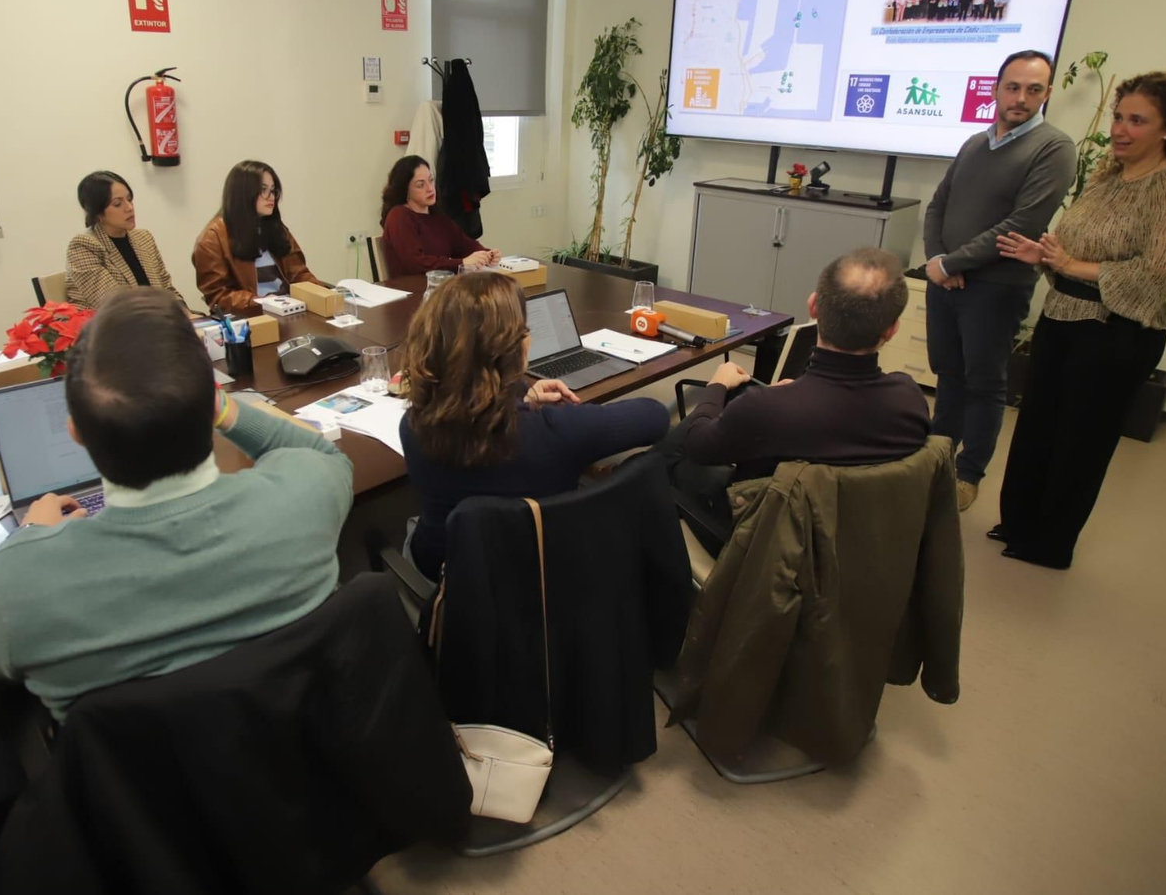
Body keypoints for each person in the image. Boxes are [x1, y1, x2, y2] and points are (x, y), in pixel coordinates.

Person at [0, 288, 352, 718]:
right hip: (307, 758)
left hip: (144, 784)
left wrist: (31, 536)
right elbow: (324, 454)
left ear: (75, 433)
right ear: (210, 407)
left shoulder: (17, 585)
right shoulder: (303, 497)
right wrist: (220, 405)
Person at [992, 72, 1166, 569]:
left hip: (1116, 331)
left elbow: (1160, 274)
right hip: (1064, 315)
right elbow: (1076, 256)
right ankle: (1020, 522)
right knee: (1038, 427)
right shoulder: (1108, 175)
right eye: (1118, 116)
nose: (1120, 129)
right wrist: (1045, 256)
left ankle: (1050, 544)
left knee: (1080, 443)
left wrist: (1070, 266)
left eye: (1137, 121)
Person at [662, 247, 932, 553]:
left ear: (813, 306)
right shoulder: (910, 399)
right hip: (857, 548)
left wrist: (717, 385)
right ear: (892, 329)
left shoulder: (767, 409)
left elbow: (698, 445)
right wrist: (790, 395)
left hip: (767, 548)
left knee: (667, 456)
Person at [399, 272, 669, 578]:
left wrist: (521, 399)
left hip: (443, 570)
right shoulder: (559, 430)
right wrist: (525, 404)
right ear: (515, 348)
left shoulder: (412, 425)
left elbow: (475, 413)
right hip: (539, 573)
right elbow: (655, 416)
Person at [922, 50, 1076, 510]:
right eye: (1013, 87)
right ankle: (935, 459)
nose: (1021, 98)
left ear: (1047, 93)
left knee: (984, 383)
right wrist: (936, 260)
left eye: (1034, 89)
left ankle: (968, 474)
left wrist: (952, 265)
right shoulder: (975, 143)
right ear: (995, 89)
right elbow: (937, 207)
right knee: (948, 374)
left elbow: (1023, 222)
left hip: (995, 287)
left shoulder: (1054, 148)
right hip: (946, 280)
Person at [192, 160, 321, 311]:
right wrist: (262, 302)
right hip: (253, 315)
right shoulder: (213, 238)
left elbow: (299, 273)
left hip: (291, 309)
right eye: (263, 190)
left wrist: (321, 293)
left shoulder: (275, 227)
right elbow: (218, 296)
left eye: (273, 190)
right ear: (243, 194)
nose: (271, 197)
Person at [65, 170, 185, 310]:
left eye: (129, 199)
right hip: (114, 327)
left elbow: (167, 288)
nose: (129, 208)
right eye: (117, 204)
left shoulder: (144, 238)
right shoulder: (83, 247)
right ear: (97, 212)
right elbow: (116, 305)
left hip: (155, 322)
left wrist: (186, 314)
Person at [378, 155, 499, 276]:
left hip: (439, 286)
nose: (430, 188)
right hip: (410, 289)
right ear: (405, 190)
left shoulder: (437, 214)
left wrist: (487, 254)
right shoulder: (399, 216)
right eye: (421, 185)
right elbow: (417, 264)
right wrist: (462, 263)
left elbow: (464, 244)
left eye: (431, 180)